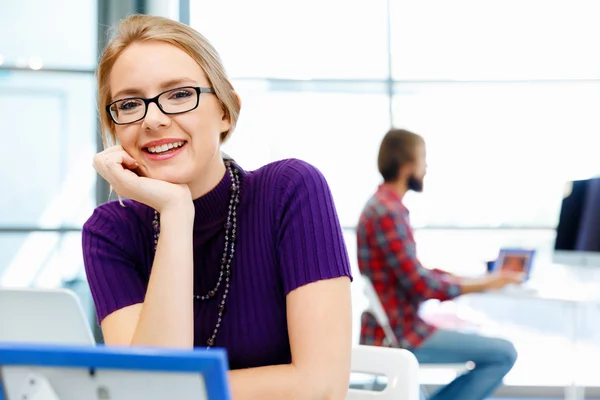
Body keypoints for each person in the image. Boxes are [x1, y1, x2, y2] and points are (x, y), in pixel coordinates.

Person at [83, 14, 353, 399]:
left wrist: (180, 389)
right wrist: (175, 212)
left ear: (225, 111)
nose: (154, 119)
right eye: (129, 104)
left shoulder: (289, 191)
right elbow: (144, 392)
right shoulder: (112, 231)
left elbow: (322, 387)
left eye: (179, 95)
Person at [357, 128, 523, 400]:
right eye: (423, 158)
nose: (426, 167)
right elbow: (421, 285)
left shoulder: (383, 206)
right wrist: (484, 283)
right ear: (407, 165)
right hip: (403, 334)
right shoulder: (387, 212)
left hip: (399, 326)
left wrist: (471, 280)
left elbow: (414, 273)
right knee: (504, 353)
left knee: (486, 342)